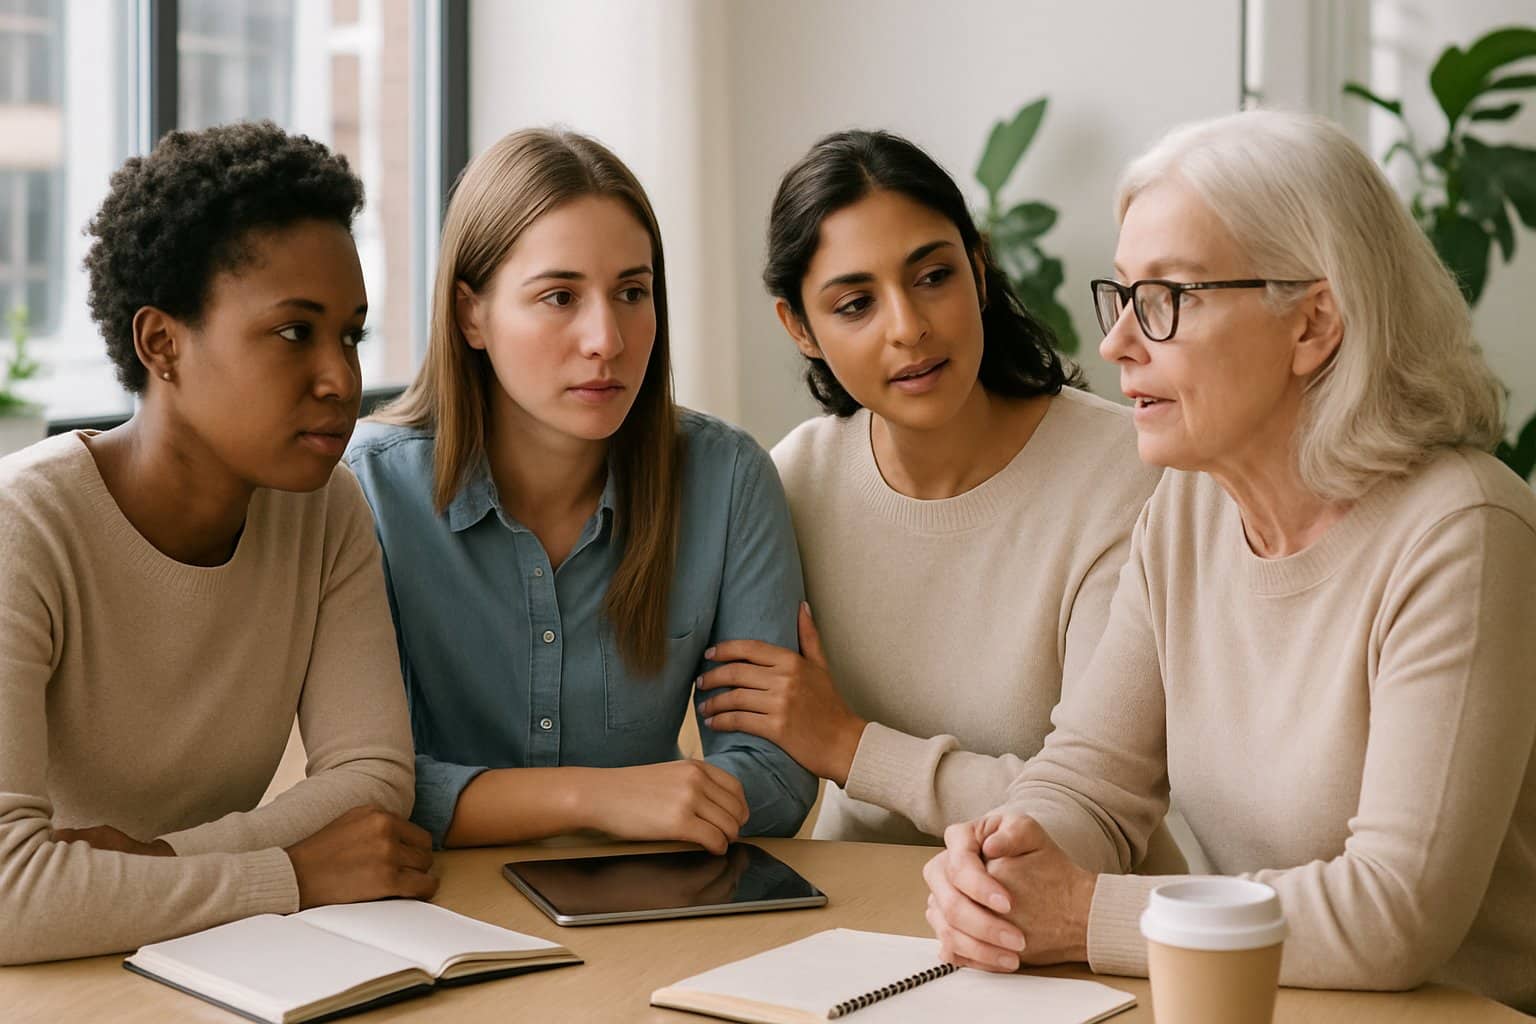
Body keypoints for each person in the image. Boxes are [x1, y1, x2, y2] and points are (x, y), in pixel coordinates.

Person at [921, 110, 1536, 1012]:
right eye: (1122, 293)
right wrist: (1007, 861)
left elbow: (1398, 911)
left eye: (1169, 297)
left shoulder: (1464, 531)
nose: (1117, 342)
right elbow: (1092, 777)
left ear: (1313, 323)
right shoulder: (1190, 508)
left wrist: (1087, 911)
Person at [0, 122, 434, 965]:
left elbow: (373, 782)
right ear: (161, 343)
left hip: (196, 960)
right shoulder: (25, 529)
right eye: (292, 333)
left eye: (350, 334)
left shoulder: (325, 510)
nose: (340, 380)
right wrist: (287, 876)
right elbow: (9, 896)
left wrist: (163, 862)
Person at [696, 130, 1175, 862]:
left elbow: (1091, 807)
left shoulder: (1122, 477)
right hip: (856, 906)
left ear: (978, 270)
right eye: (855, 303)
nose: (909, 327)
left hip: (1070, 915)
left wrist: (848, 746)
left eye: (933, 277)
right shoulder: (794, 483)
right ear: (800, 327)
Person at [346, 128, 816, 853]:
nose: (608, 338)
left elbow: (778, 775)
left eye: (632, 292)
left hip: (654, 909)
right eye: (560, 296)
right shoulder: (368, 492)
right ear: (472, 314)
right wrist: (597, 797)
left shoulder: (728, 481)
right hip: (431, 916)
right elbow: (366, 790)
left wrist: (671, 801)